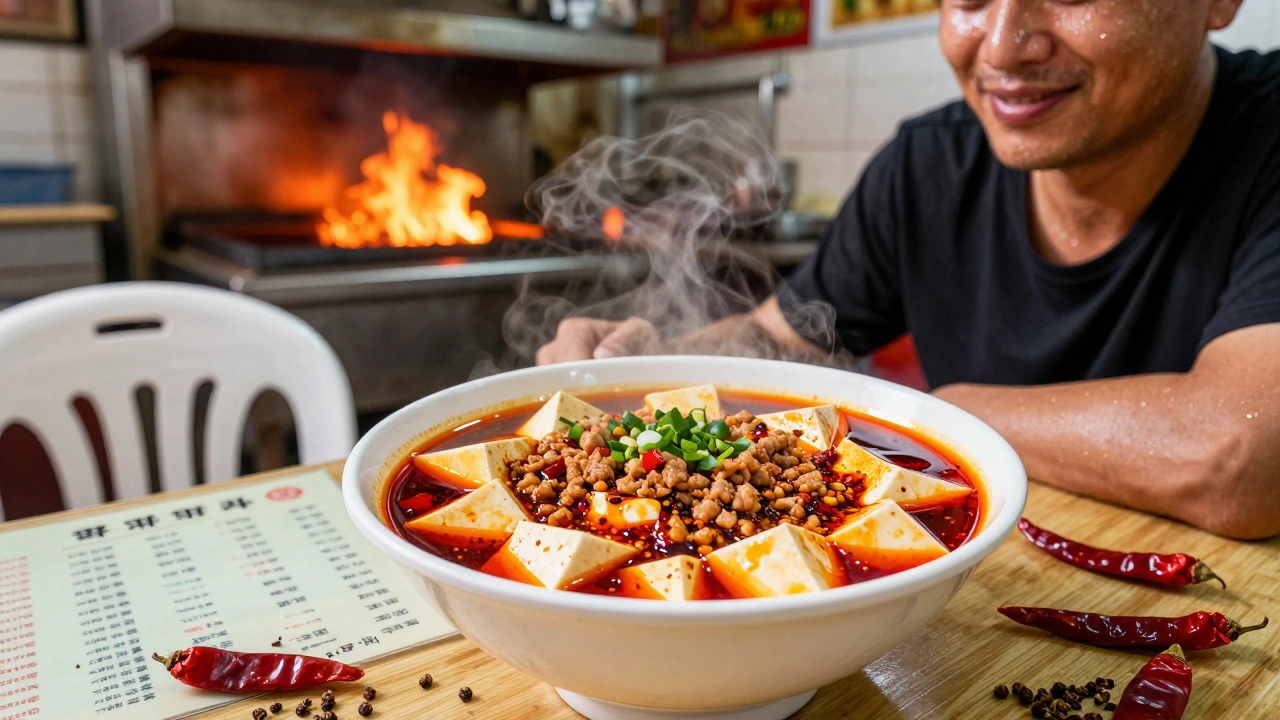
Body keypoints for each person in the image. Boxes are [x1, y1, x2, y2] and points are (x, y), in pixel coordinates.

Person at [535, 0, 1280, 539]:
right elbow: (786, 338)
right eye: (970, 0)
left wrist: (942, 414)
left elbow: (1240, 459)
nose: (1003, 47)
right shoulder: (928, 166)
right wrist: (660, 361)